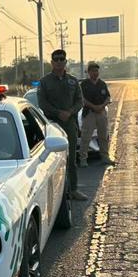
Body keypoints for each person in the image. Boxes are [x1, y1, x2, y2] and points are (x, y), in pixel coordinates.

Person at [36, 48, 87, 200]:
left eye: (61, 59)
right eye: (56, 60)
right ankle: (53, 194)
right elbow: (42, 103)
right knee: (51, 160)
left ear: (65, 62)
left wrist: (70, 112)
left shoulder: (73, 81)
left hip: (69, 124)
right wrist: (58, 113)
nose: (59, 62)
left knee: (71, 158)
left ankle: (73, 189)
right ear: (51, 62)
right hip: (52, 125)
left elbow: (80, 101)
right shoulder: (45, 82)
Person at [79, 62, 115, 166]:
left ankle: (105, 157)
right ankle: (83, 159)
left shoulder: (102, 84)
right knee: (86, 137)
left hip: (101, 112)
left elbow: (108, 98)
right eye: (93, 71)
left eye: (96, 71)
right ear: (88, 72)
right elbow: (82, 99)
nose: (95, 73)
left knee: (103, 136)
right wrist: (94, 107)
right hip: (89, 113)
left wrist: (102, 106)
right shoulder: (84, 84)